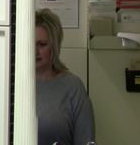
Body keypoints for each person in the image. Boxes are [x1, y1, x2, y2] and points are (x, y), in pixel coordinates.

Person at [35, 8, 95, 145]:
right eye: (29, 44)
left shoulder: (73, 87)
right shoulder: (11, 85)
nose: (34, 51)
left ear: (54, 47)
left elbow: (85, 140)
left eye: (42, 45)